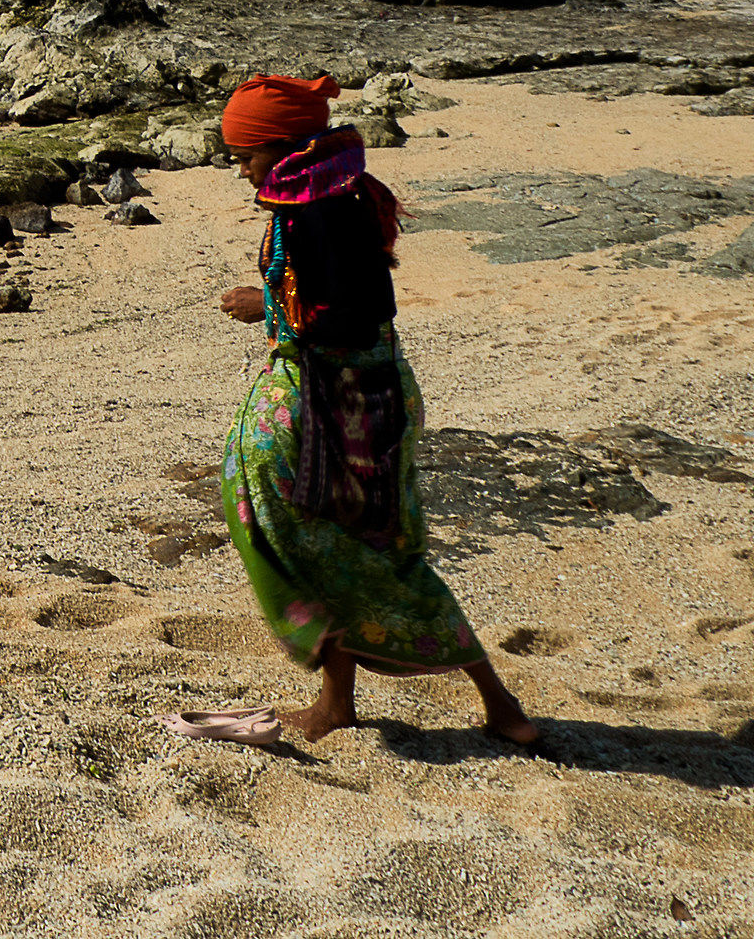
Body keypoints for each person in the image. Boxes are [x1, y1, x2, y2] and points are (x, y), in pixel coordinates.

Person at [211, 73, 536, 745]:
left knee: (344, 545)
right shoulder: (334, 189)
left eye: (243, 155)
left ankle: (490, 705)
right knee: (357, 547)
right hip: (359, 393)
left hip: (350, 405)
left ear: (277, 146)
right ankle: (436, 703)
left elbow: (356, 315)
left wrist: (264, 306)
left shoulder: (316, 210)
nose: (239, 168)